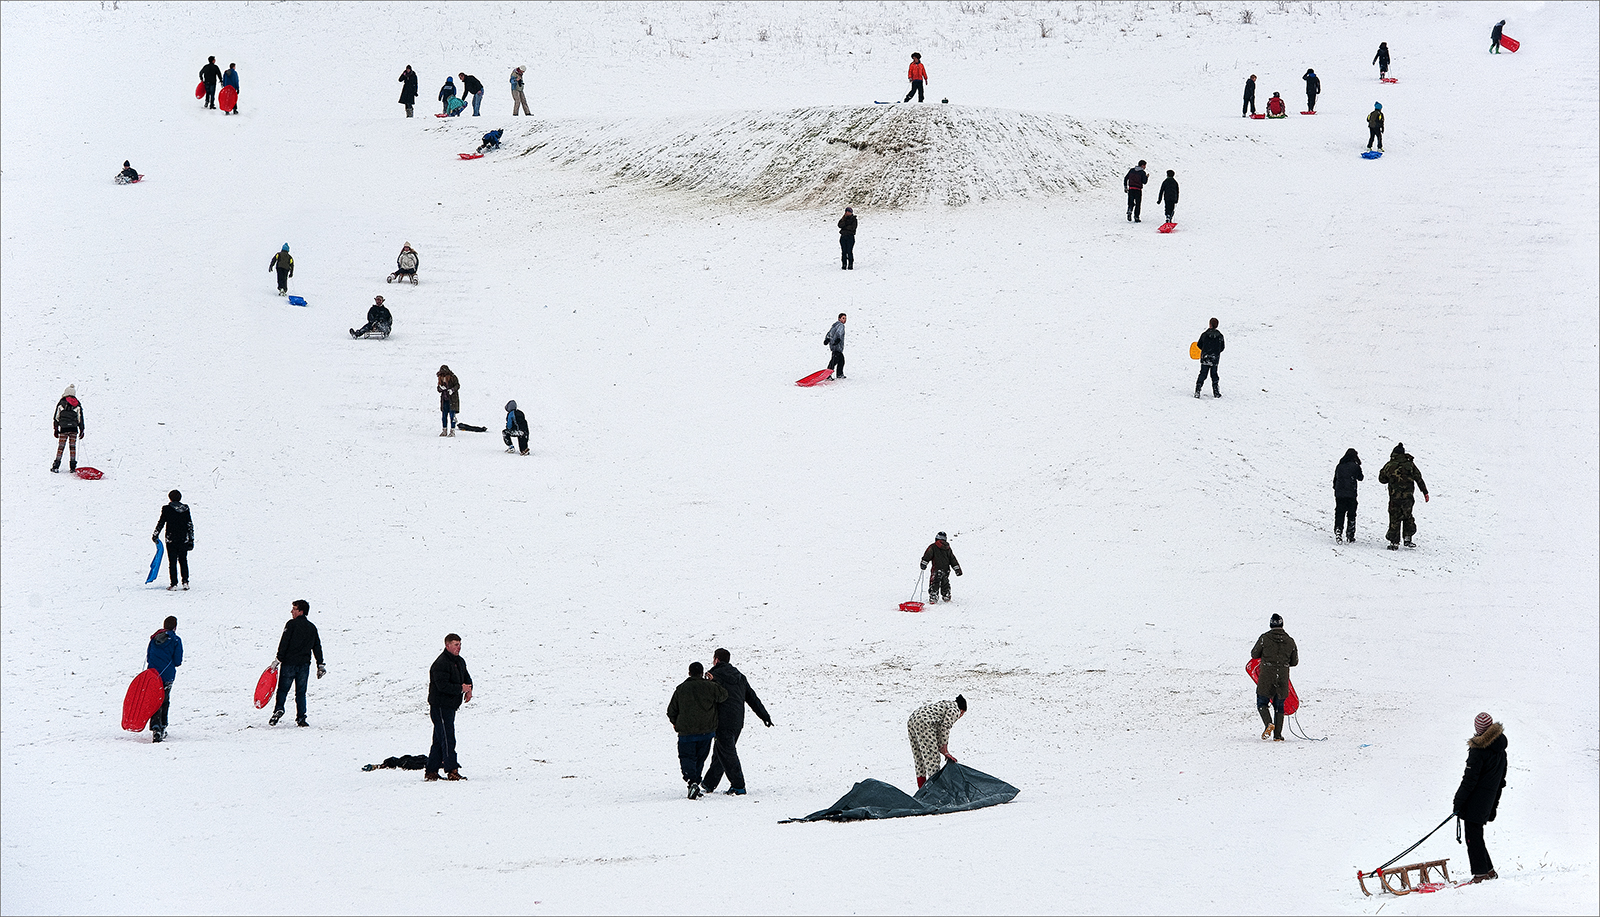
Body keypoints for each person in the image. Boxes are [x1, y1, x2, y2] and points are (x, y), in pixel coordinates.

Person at [701, 649, 774, 796]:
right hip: (737, 721)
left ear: (716, 660)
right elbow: (752, 698)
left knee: (727, 753)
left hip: (722, 719)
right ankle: (709, 783)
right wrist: (765, 716)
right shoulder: (740, 677)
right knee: (722, 751)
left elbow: (706, 697)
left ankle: (738, 785)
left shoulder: (713, 675)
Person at [1453, 712, 1508, 883]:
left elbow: (1469, 780)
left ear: (1478, 730)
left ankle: (1480, 874)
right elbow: (1501, 781)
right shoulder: (1500, 750)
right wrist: (1493, 805)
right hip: (1488, 799)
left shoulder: (1478, 751)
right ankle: (1488, 870)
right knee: (1477, 835)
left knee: (1473, 836)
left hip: (1475, 801)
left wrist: (1459, 801)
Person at [667, 661, 727, 799]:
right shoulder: (710, 687)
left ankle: (691, 782)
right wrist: (715, 681)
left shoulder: (681, 689)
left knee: (687, 757)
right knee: (700, 758)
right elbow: (723, 695)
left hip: (686, 732)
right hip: (706, 732)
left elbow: (671, 710)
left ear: (689, 673)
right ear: (702, 673)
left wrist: (675, 723)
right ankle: (695, 782)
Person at [269, 599, 325, 727]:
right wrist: (320, 664)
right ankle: (301, 718)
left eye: (294, 609)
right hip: (304, 665)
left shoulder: (291, 624)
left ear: (301, 611)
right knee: (301, 692)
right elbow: (317, 646)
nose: (291, 611)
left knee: (283, 690)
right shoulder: (312, 627)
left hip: (289, 663)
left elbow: (284, 642)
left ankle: (279, 709)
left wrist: (278, 659)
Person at [426, 634, 473, 781]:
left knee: (440, 739)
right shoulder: (440, 663)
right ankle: (452, 769)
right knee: (448, 738)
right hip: (440, 706)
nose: (458, 647)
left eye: (459, 644)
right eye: (455, 644)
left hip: (451, 706)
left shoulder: (459, 661)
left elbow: (466, 677)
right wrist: (461, 688)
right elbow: (443, 686)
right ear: (447, 645)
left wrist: (469, 689)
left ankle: (431, 771)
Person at [1250, 614, 1298, 741]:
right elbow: (1294, 662)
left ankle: (1268, 723)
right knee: (1279, 705)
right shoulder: (1290, 641)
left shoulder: (1264, 638)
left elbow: (1254, 654)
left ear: (1271, 625)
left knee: (1262, 702)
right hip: (1282, 676)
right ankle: (1277, 735)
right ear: (1282, 625)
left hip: (1266, 675)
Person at [1378, 442, 1428, 549]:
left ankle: (1394, 542)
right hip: (1408, 497)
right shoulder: (1410, 465)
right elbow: (1419, 478)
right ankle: (1407, 537)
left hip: (1394, 497)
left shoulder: (1389, 465)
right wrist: (1425, 492)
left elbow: (1381, 479)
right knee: (1407, 515)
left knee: (1394, 517)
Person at [908, 695, 965, 788]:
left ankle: (921, 790)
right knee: (933, 759)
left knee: (919, 757)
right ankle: (933, 791)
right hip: (924, 722)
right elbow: (945, 728)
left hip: (913, 719)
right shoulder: (955, 710)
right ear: (962, 711)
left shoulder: (945, 704)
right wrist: (945, 750)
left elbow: (937, 732)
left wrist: (942, 749)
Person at [146, 616, 183, 743]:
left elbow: (149, 657)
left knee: (155, 700)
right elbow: (178, 661)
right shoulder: (176, 640)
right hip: (167, 675)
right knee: (164, 700)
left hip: (152, 675)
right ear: (175, 627)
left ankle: (155, 727)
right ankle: (162, 726)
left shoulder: (154, 638)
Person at [152, 489, 193, 591]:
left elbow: (161, 522)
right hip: (183, 538)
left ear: (170, 498)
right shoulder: (185, 508)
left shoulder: (166, 509)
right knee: (183, 560)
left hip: (171, 539)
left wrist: (155, 535)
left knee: (172, 561)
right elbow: (190, 525)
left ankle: (174, 584)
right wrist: (191, 539)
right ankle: (185, 582)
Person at [920, 532, 962, 605]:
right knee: (945, 582)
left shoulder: (933, 547)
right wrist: (957, 569)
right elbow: (952, 559)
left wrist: (924, 563)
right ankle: (946, 596)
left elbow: (927, 555)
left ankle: (933, 597)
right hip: (946, 569)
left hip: (936, 569)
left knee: (934, 582)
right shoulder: (947, 548)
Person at [51, 384, 84, 473]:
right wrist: (82, 430)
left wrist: (56, 429)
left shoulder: (61, 403)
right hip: (74, 429)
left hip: (63, 429)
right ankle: (72, 467)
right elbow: (80, 418)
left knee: (61, 447)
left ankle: (56, 466)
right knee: (72, 447)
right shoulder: (77, 403)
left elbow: (56, 417)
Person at [1333, 448, 1363, 543]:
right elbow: (1361, 477)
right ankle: (1350, 535)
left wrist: (1337, 489)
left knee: (1340, 513)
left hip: (1340, 494)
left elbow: (1335, 480)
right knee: (1351, 514)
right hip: (1351, 494)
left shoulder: (1339, 466)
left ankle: (1338, 530)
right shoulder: (1355, 466)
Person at [1194, 317, 1224, 398]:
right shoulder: (1220, 336)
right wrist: (1215, 352)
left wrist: (1205, 350)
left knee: (1203, 374)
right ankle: (1216, 392)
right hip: (1215, 359)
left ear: (1210, 324)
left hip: (1205, 357)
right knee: (1214, 375)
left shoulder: (1204, 334)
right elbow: (1222, 347)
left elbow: (1199, 344)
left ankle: (1197, 390)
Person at [436, 365, 460, 436]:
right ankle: (444, 430)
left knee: (452, 416)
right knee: (444, 416)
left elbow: (457, 385)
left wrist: (452, 390)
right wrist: (441, 388)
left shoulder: (453, 377)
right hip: (444, 400)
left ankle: (452, 431)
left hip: (452, 400)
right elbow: (438, 389)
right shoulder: (440, 379)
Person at [825, 313, 847, 380]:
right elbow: (839, 333)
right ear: (839, 319)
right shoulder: (841, 326)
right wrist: (838, 339)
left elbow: (830, 333)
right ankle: (828, 375)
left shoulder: (834, 325)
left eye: (845, 318)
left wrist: (827, 339)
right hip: (837, 346)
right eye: (843, 318)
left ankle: (839, 374)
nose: (845, 320)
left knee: (841, 360)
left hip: (834, 345)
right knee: (834, 361)